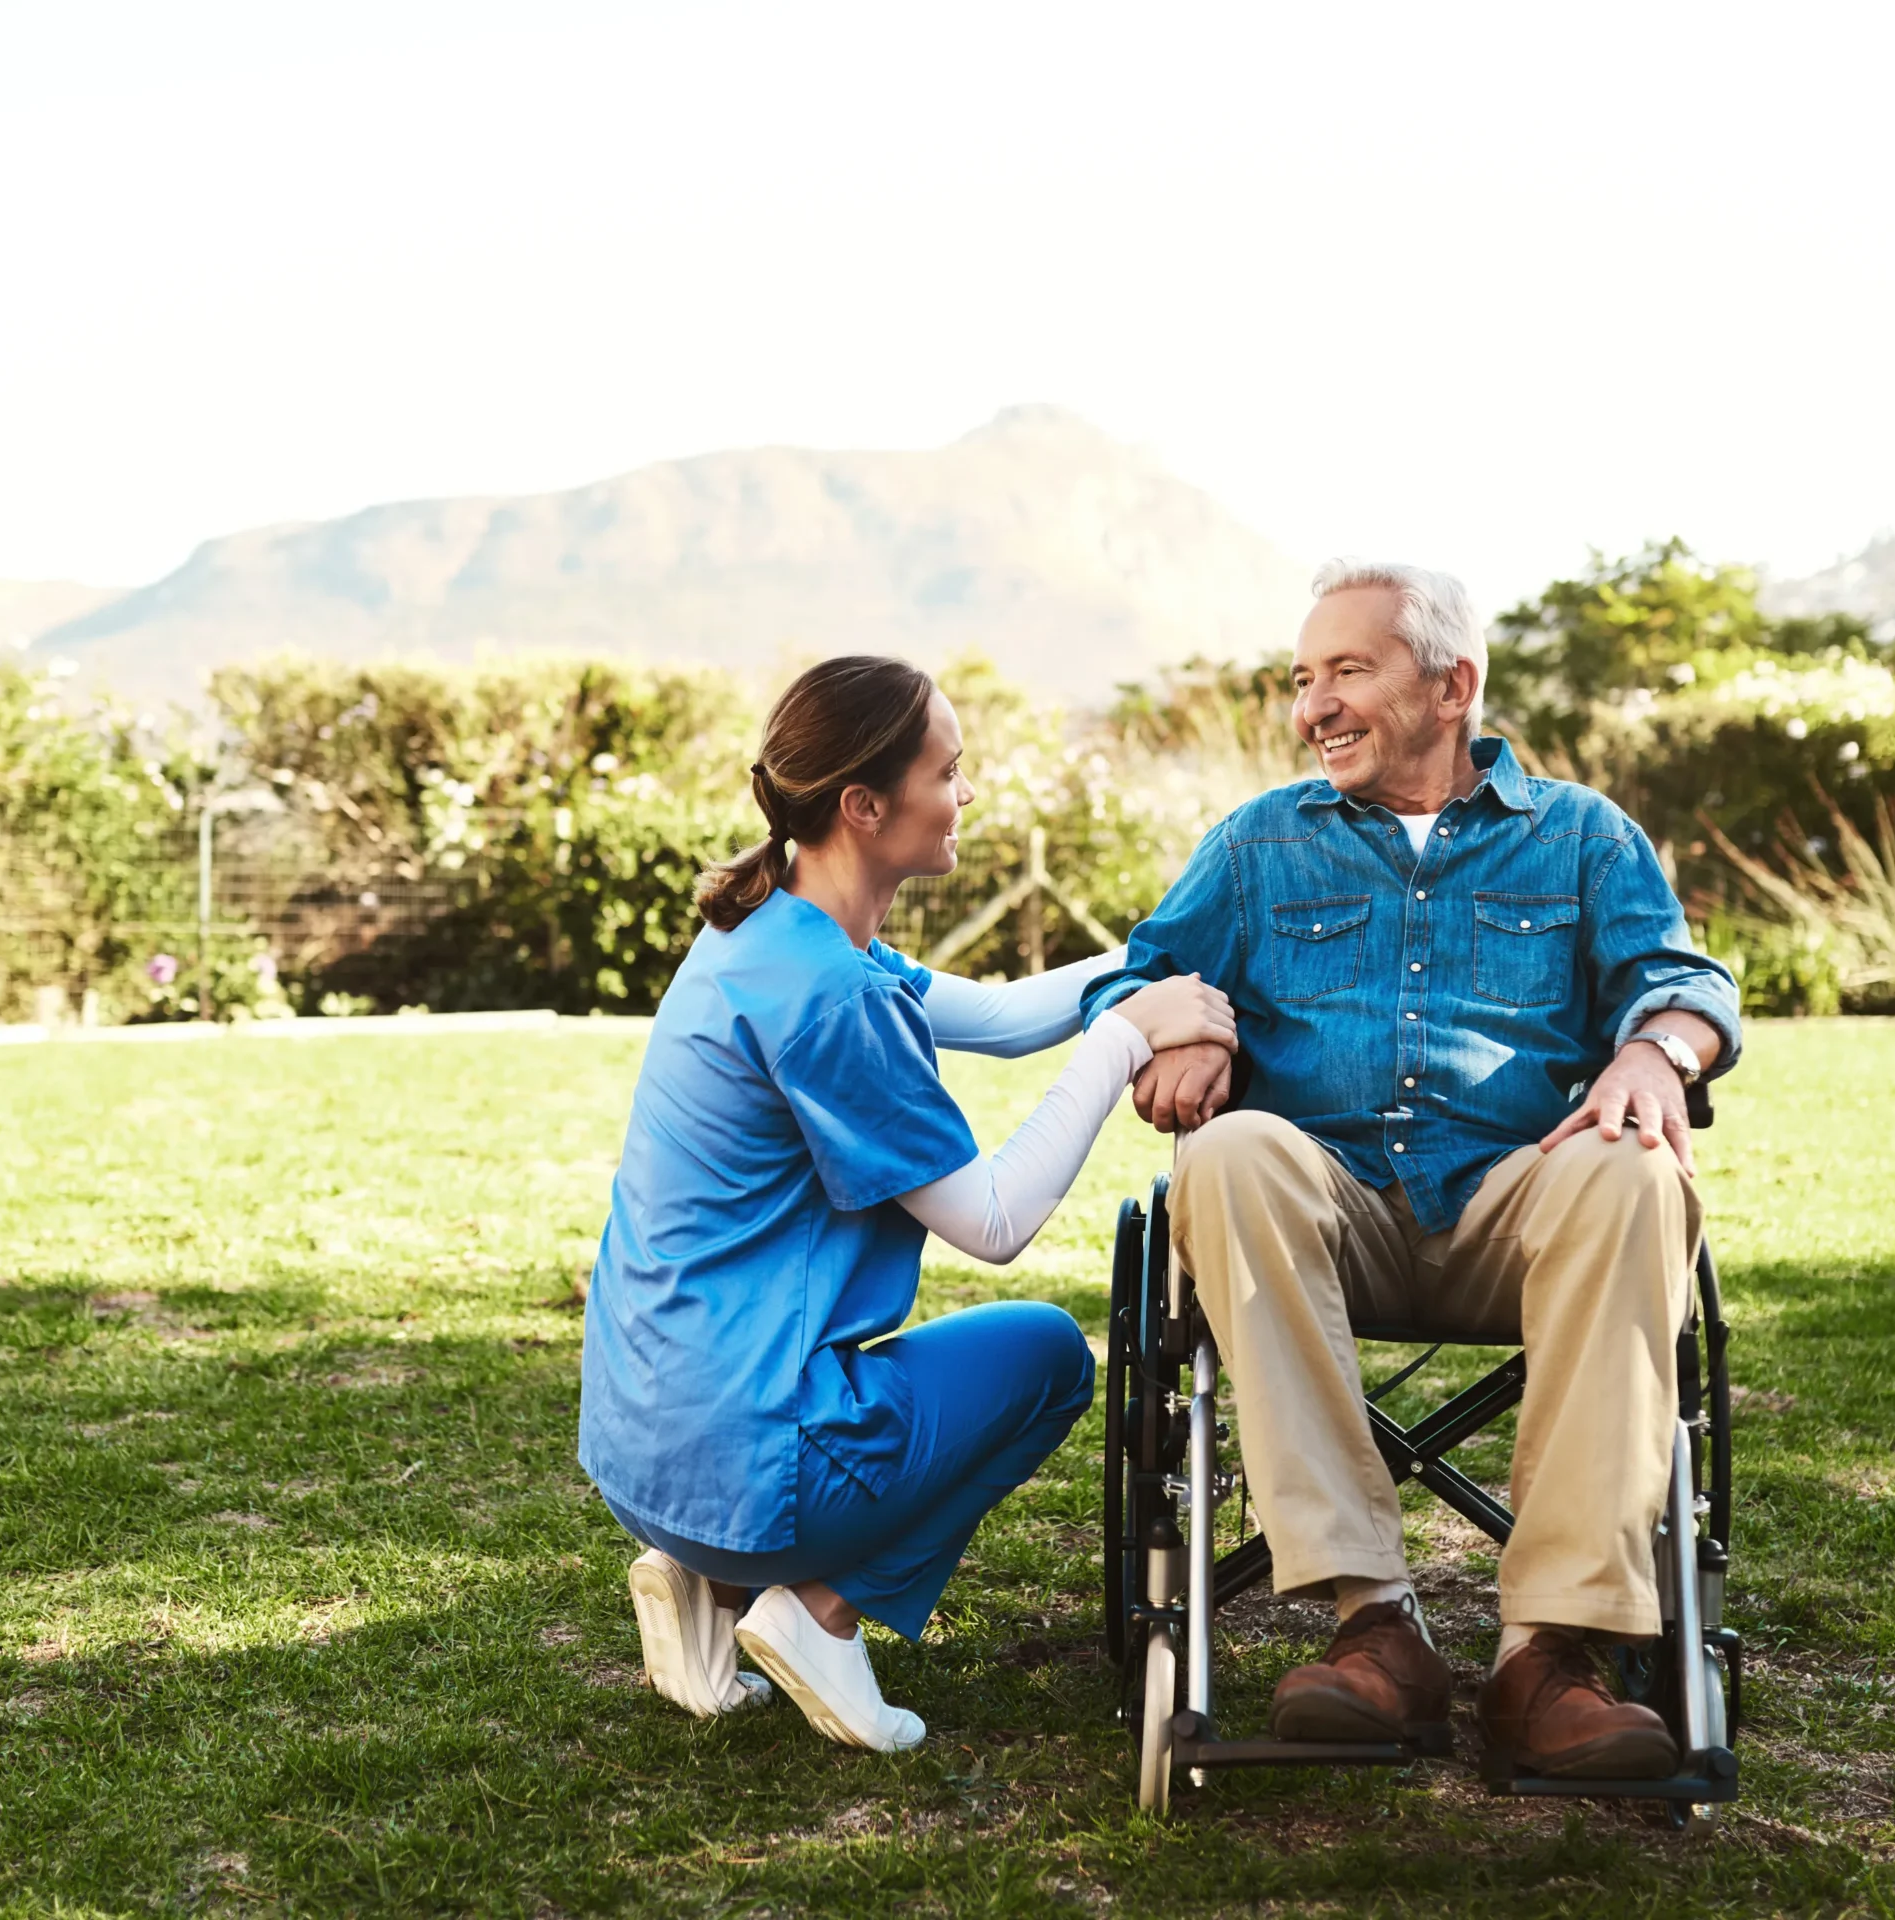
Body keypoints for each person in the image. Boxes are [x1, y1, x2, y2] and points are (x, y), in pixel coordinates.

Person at [1081, 559, 1742, 1780]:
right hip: (1320, 1207)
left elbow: (1685, 982)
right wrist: (1173, 1023)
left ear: (1453, 687)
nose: (1311, 707)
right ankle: (1374, 1630)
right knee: (1226, 1154)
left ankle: (1552, 1657)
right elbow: (1134, 976)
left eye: (1346, 672)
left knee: (1634, 1169)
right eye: (1300, 680)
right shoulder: (1258, 843)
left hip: (1516, 1206)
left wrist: (1656, 1053)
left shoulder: (1582, 837)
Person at [578, 656, 1237, 1753]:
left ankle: (698, 1582)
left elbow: (1008, 1013)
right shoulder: (831, 999)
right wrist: (1129, 1035)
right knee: (1045, 1360)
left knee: (887, 1367)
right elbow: (992, 1223)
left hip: (646, 1447)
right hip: (750, 1463)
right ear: (864, 806)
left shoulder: (772, 932)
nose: (966, 794)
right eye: (949, 769)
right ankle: (816, 1612)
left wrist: (1156, 965)